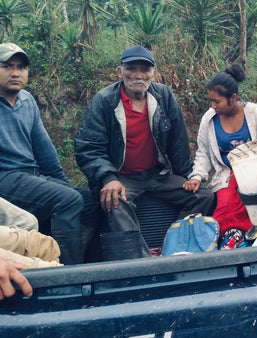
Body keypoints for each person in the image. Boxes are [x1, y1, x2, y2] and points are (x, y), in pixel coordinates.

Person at [75, 45, 214, 260]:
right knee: (114, 201)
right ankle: (143, 261)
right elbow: (88, 148)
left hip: (157, 175)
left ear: (153, 74)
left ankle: (173, 244)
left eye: (145, 69)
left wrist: (188, 176)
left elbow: (178, 142)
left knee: (203, 196)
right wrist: (108, 178)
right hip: (123, 178)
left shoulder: (163, 96)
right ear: (119, 72)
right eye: (131, 68)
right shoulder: (104, 101)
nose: (138, 75)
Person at [0, 42, 97, 265]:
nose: (15, 73)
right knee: (68, 201)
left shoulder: (27, 100)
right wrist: (65, 194)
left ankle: (94, 271)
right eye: (7, 66)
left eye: (21, 67)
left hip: (30, 175)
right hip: (5, 176)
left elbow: (45, 151)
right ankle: (65, 275)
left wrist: (61, 184)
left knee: (90, 202)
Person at [183, 64, 257, 249]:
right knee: (225, 207)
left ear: (233, 98)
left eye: (217, 101)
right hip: (226, 174)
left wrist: (256, 170)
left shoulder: (254, 113)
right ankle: (232, 238)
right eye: (210, 101)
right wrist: (197, 177)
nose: (213, 106)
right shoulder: (209, 119)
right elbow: (203, 154)